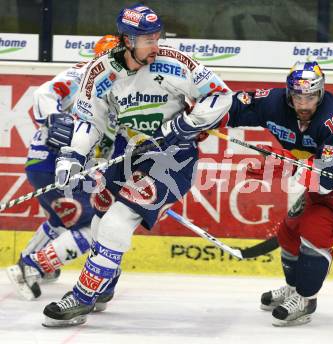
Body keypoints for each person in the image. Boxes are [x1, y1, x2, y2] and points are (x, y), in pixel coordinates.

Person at [42, 4, 232, 327]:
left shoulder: (176, 63)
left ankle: (83, 296)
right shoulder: (100, 72)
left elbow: (220, 95)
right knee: (101, 216)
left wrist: (187, 124)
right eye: (147, 40)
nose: (155, 45)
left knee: (117, 222)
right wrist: (72, 155)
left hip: (172, 156)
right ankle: (104, 286)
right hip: (128, 152)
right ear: (127, 40)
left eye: (157, 37)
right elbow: (90, 121)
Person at [225, 61, 333, 326]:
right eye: (297, 96)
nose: (303, 104)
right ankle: (294, 289)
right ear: (288, 94)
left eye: (310, 96)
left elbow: (329, 179)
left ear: (320, 93)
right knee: (289, 228)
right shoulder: (274, 103)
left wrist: (284, 166)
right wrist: (200, 121)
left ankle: (306, 299)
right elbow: (235, 105)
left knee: (314, 225)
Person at [6, 35, 120, 303]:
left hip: (56, 165)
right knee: (93, 226)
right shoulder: (85, 74)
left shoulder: (121, 89)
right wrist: (54, 118)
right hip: (53, 162)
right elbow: (45, 92)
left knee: (62, 219)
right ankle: (30, 267)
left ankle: (30, 262)